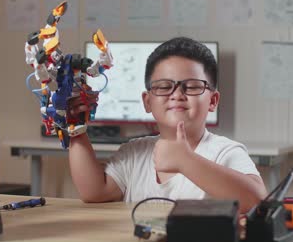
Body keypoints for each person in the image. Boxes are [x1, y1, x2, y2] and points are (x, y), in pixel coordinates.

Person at [68, 37, 267, 213]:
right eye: (164, 87)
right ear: (147, 101)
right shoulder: (134, 153)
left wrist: (186, 161)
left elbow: (256, 200)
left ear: (213, 101)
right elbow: (95, 192)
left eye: (192, 86)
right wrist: (76, 129)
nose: (177, 95)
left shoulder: (225, 152)